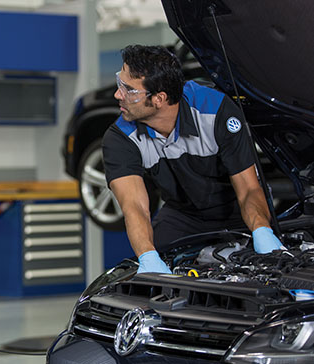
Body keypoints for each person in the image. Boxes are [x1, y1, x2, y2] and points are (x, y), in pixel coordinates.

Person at [102, 44, 283, 274]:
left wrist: (261, 232)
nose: (118, 94)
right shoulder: (121, 137)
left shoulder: (216, 111)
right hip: (182, 214)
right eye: (120, 83)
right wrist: (148, 256)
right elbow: (135, 206)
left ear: (159, 98)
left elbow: (248, 189)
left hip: (236, 210)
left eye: (129, 90)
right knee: (145, 279)